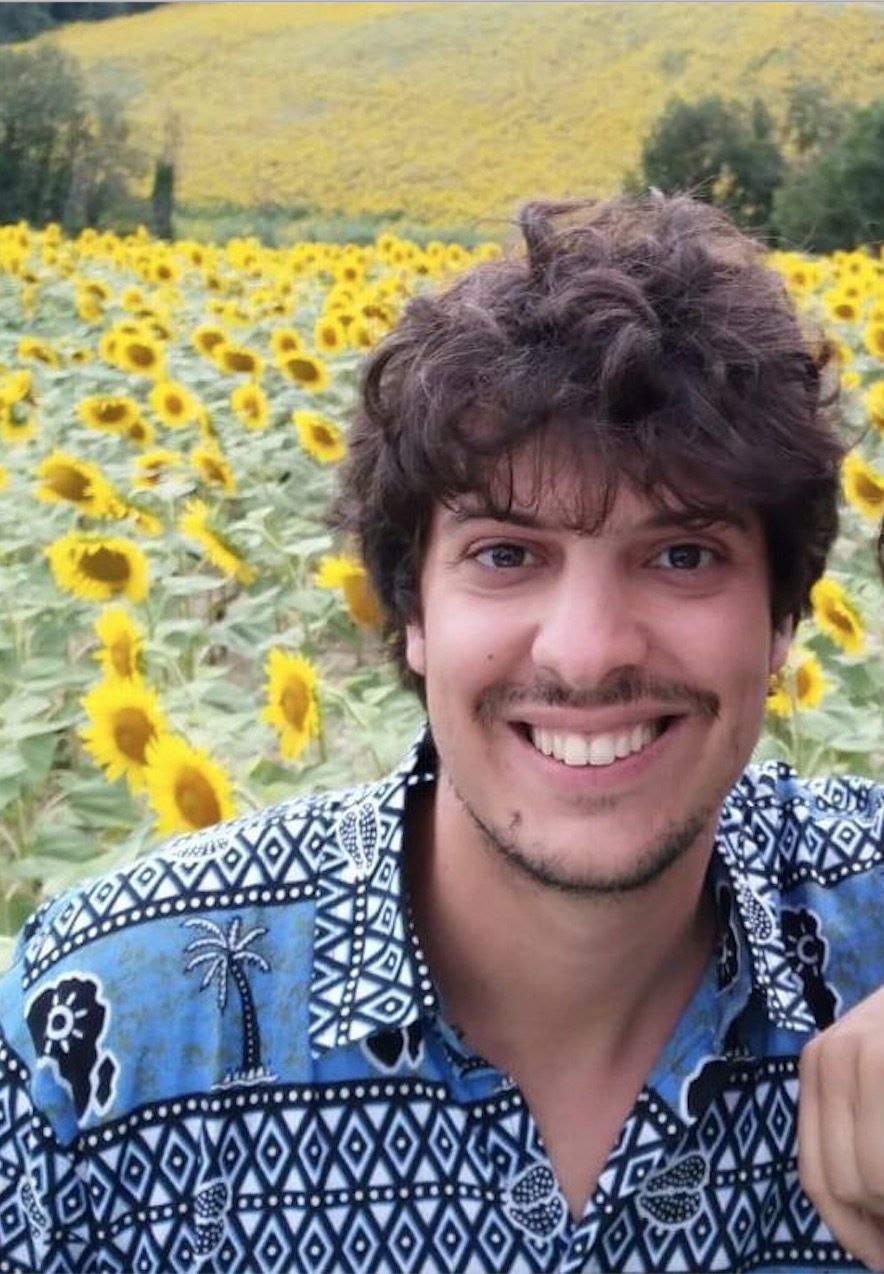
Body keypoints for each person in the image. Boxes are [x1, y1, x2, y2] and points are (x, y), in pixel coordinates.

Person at [0, 193, 881, 1274]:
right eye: (506, 555)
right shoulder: (108, 1029)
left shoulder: (866, 909)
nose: (585, 652)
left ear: (782, 621)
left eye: (682, 555)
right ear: (412, 613)